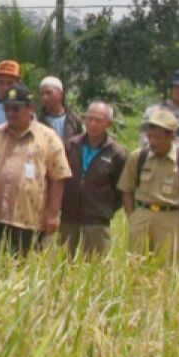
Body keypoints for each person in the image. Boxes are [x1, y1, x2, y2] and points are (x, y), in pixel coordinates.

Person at [0, 84, 71, 260]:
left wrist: (53, 214)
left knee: (21, 270)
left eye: (16, 109)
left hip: (28, 219)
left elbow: (59, 177)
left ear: (30, 108)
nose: (11, 114)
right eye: (7, 109)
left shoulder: (48, 137)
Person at [119, 108, 179, 262]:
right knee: (135, 266)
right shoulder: (138, 157)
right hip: (142, 214)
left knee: (166, 269)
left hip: (170, 218)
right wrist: (133, 217)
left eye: (158, 138)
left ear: (172, 137)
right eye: (150, 137)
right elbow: (126, 190)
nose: (153, 142)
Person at [60, 101, 128, 256]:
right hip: (69, 218)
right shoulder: (70, 145)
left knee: (95, 268)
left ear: (108, 124)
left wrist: (104, 209)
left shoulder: (117, 153)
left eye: (98, 120)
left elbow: (121, 190)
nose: (92, 123)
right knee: (63, 265)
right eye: (89, 118)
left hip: (97, 222)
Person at [37, 76, 84, 143]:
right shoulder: (38, 122)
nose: (45, 97)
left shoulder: (74, 119)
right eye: (42, 94)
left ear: (61, 94)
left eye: (49, 93)